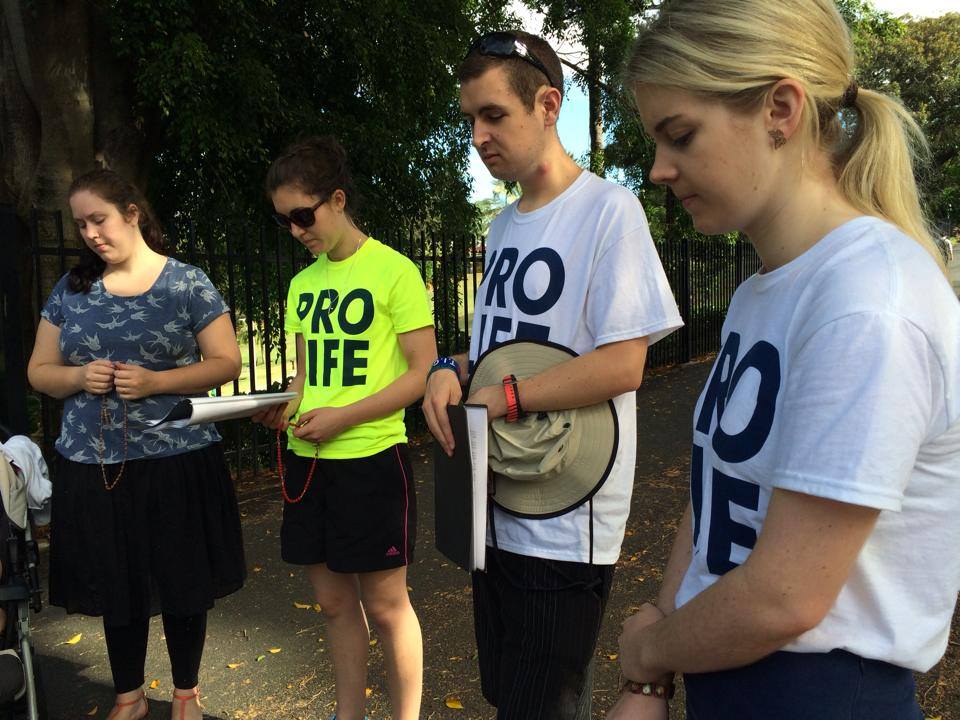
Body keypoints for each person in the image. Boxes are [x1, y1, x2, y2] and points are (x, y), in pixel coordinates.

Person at [610, 1, 960, 718]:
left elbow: (785, 598)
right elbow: (715, 495)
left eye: (679, 136)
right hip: (731, 677)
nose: (658, 169)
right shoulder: (764, 292)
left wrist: (650, 651)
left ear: (780, 108)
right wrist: (651, 683)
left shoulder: (868, 303)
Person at [421, 31, 683, 720]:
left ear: (547, 104)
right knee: (508, 696)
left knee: (541, 705)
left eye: (493, 115)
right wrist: (450, 371)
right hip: (496, 504)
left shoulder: (609, 211)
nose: (477, 136)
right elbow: (503, 350)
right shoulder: (503, 227)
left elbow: (625, 363)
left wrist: (506, 396)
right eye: (469, 120)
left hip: (568, 514)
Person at [27, 169, 246, 720]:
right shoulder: (71, 289)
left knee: (182, 579)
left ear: (131, 212)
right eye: (80, 225)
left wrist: (156, 382)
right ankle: (128, 695)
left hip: (177, 458)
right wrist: (78, 378)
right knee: (115, 578)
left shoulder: (186, 283)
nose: (90, 233)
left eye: (98, 219)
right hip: (94, 463)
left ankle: (186, 695)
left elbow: (226, 363)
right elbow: (39, 371)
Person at [254, 136, 436, 720]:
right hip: (307, 462)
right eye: (284, 220)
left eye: (302, 216)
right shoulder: (301, 285)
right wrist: (282, 404)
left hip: (371, 458)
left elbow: (421, 375)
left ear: (336, 199)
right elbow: (308, 378)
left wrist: (343, 418)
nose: (295, 230)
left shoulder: (393, 271)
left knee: (386, 606)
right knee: (334, 606)